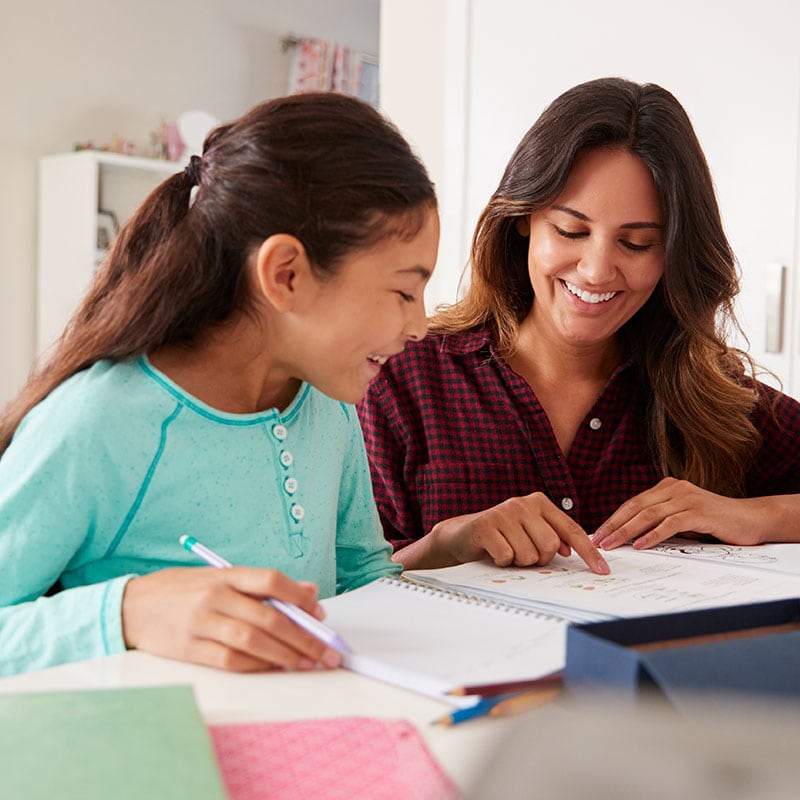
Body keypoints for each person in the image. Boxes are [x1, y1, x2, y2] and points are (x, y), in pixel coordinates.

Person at [0, 93, 438, 676]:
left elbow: (363, 578)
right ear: (286, 275)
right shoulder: (98, 421)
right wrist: (129, 612)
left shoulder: (327, 407)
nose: (420, 326)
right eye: (405, 292)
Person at [357, 77, 800, 575]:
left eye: (635, 244)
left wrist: (755, 515)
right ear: (523, 217)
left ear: (672, 254)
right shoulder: (399, 380)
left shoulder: (711, 398)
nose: (595, 271)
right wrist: (446, 544)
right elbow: (338, 586)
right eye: (571, 230)